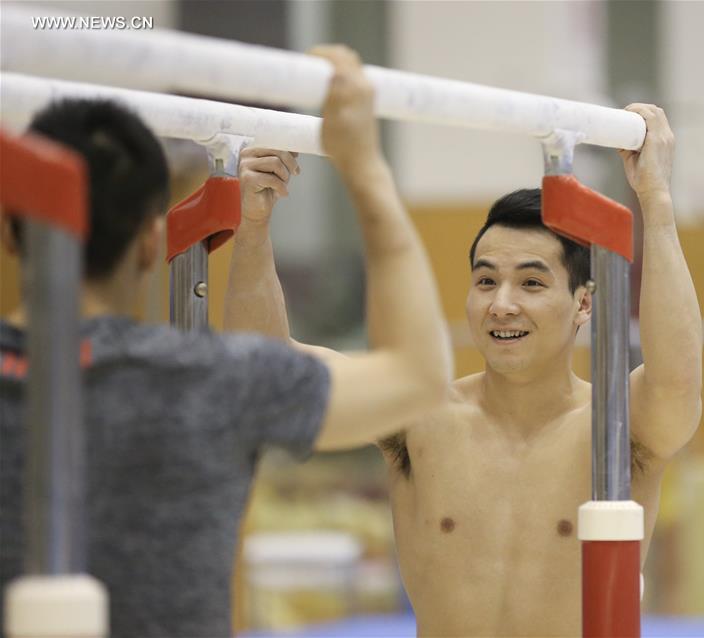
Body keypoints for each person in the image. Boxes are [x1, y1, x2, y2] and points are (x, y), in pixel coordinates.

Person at [0, 46, 450, 637]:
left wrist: (254, 225)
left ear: (10, 232)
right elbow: (419, 376)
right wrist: (363, 166)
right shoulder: (209, 380)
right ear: (151, 242)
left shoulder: (214, 375)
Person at [228, 90, 701, 634]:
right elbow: (263, 369)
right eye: (485, 281)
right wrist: (252, 226)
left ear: (584, 303)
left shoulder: (619, 429)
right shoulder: (419, 411)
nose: (501, 303)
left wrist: (656, 203)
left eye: (530, 282)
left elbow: (678, 381)